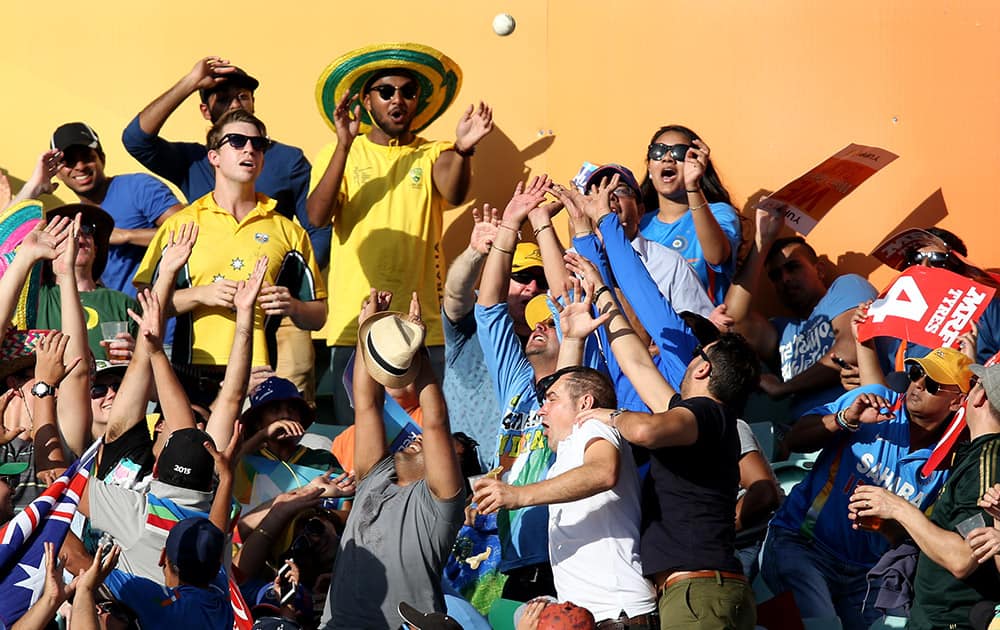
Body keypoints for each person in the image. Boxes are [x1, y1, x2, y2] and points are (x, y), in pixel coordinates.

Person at [307, 43, 493, 423]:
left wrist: (463, 149)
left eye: (408, 92)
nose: (399, 99)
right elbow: (317, 216)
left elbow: (454, 191)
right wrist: (344, 145)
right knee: (360, 440)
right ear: (367, 100)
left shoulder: (435, 153)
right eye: (387, 91)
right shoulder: (340, 152)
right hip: (356, 323)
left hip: (422, 324)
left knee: (429, 441)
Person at [122, 56, 327, 399]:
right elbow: (135, 140)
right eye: (235, 142)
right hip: (199, 362)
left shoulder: (287, 163)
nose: (248, 151)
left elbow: (314, 231)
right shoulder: (186, 204)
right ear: (213, 154)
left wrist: (292, 293)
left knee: (284, 430)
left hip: (269, 347)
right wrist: (189, 82)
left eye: (243, 95)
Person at [569, 268, 761, 629]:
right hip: (705, 591)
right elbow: (636, 362)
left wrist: (610, 415)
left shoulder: (704, 413)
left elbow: (642, 429)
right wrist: (600, 293)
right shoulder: (703, 419)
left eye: (695, 356)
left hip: (699, 594)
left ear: (703, 370)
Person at [760, 346, 972, 629]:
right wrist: (845, 419)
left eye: (931, 384)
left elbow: (913, 538)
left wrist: (891, 521)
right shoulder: (878, 401)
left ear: (957, 402)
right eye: (915, 374)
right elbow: (794, 439)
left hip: (867, 574)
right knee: (822, 624)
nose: (917, 385)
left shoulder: (952, 459)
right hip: (803, 544)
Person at [320, 290, 465, 629]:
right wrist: (367, 333)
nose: (418, 438)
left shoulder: (439, 507)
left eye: (438, 446)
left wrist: (420, 355)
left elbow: (436, 420)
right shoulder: (376, 475)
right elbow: (367, 401)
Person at [473, 365, 658, 628]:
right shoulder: (570, 448)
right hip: (600, 616)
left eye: (551, 399)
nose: (541, 409)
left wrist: (518, 495)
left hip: (618, 615)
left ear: (585, 403)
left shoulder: (594, 426)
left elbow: (603, 472)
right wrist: (573, 339)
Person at [848, 361, 1000, 629]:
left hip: (950, 621)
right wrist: (890, 525)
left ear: (980, 397)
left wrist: (897, 507)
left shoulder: (988, 462)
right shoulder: (975, 456)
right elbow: (948, 539)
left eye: (974, 385)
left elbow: (962, 557)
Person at [726, 207, 878, 421]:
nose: (785, 279)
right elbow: (732, 320)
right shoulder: (781, 329)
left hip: (857, 419)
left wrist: (786, 388)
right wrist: (762, 242)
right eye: (776, 275)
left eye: (793, 267)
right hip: (804, 437)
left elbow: (851, 349)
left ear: (820, 270)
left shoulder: (846, 287)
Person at [442, 204, 545, 470]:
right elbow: (455, 293)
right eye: (522, 276)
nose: (532, 287)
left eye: (540, 280)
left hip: (517, 481)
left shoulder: (549, 341)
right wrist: (474, 253)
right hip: (459, 474)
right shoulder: (473, 321)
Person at [636, 124, 741, 305]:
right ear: (650, 168)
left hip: (706, 328)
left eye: (679, 152)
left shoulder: (719, 213)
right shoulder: (638, 224)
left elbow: (716, 256)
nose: (668, 158)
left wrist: (693, 186)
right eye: (658, 151)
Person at [37, 204, 139, 363]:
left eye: (87, 229)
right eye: (66, 230)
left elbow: (149, 366)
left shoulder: (123, 303)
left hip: (111, 386)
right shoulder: (34, 298)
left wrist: (138, 356)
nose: (77, 234)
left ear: (96, 249)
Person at [102, 517, 234, 629]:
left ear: (163, 556)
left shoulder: (164, 604)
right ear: (217, 568)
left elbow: (87, 564)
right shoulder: (224, 594)